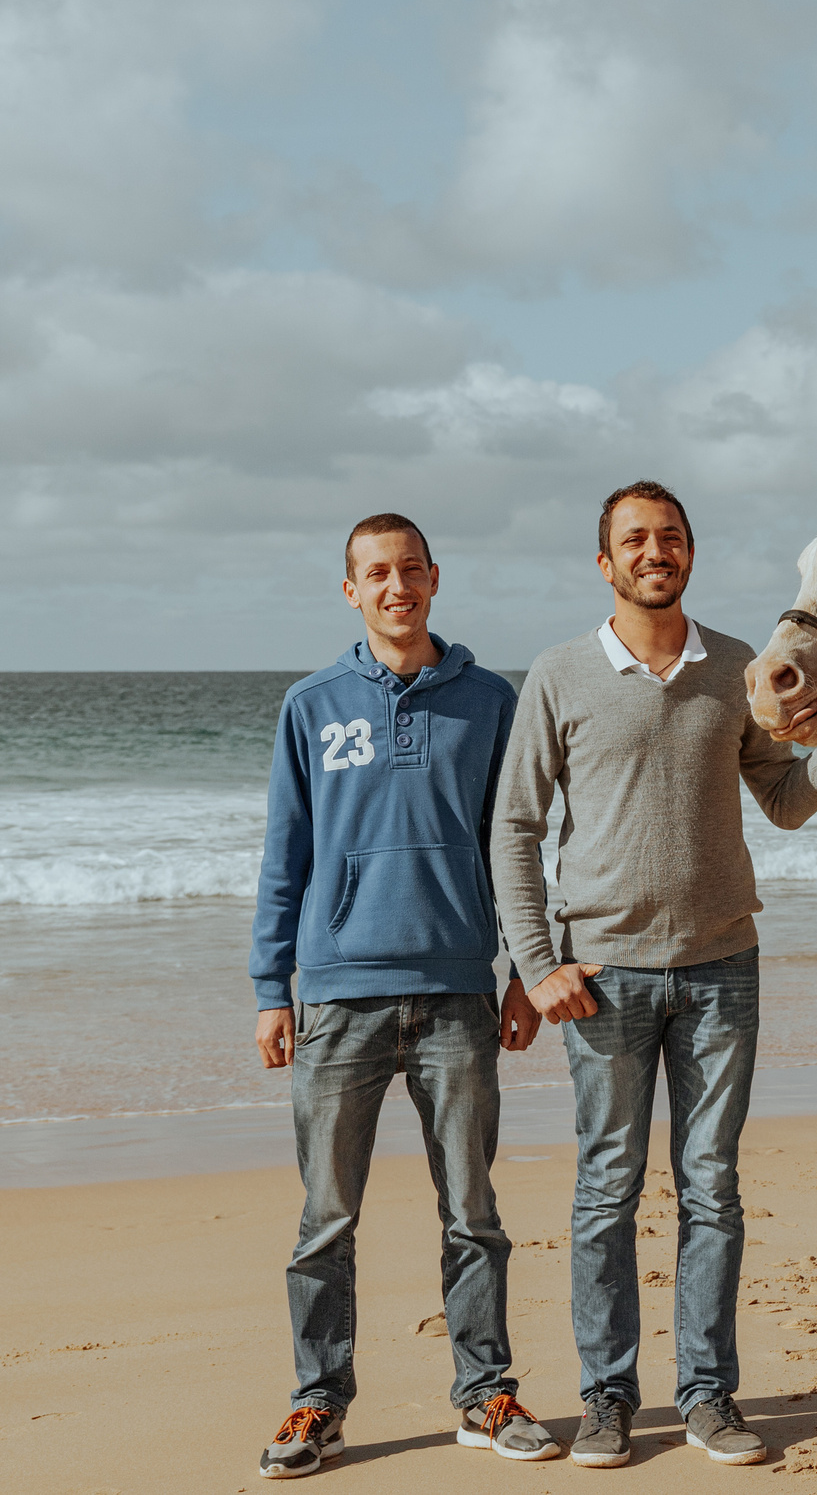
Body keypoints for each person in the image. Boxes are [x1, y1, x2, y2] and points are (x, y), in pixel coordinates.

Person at [489, 481, 817, 1470]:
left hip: (720, 971)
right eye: (634, 539)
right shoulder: (560, 675)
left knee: (712, 1186)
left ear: (690, 554)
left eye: (669, 537)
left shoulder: (737, 669)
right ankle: (607, 1399)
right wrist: (537, 967)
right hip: (603, 979)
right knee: (606, 1188)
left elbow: (784, 802)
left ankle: (708, 1395)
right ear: (605, 563)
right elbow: (515, 828)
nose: (653, 550)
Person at [249, 514, 554, 1479]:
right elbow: (284, 859)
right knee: (325, 1220)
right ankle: (316, 1403)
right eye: (376, 573)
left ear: (434, 577)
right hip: (338, 999)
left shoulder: (488, 701)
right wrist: (272, 986)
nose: (396, 586)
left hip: (459, 993)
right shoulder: (311, 704)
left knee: (472, 1211)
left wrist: (524, 969)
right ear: (351, 589)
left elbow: (520, 844)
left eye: (410, 569)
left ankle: (485, 1393)